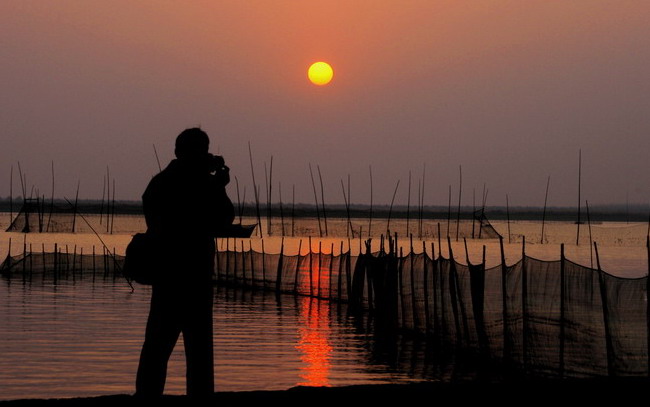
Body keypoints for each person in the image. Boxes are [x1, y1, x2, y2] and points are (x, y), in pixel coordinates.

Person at [135, 127, 234, 399]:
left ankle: (148, 397)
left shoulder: (162, 183)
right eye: (199, 152)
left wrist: (214, 185)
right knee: (182, 348)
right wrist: (216, 186)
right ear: (183, 153)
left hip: (176, 277)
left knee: (161, 346)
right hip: (184, 277)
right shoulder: (191, 184)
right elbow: (221, 219)